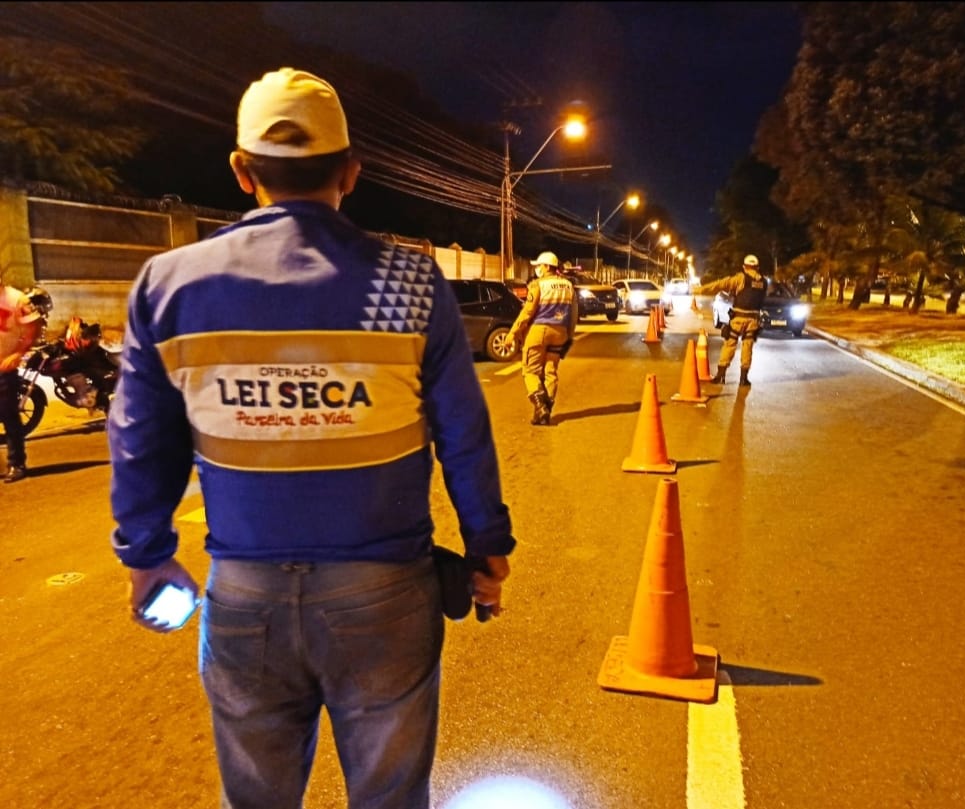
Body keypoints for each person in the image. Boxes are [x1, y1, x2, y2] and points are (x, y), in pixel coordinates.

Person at [107, 67, 515, 809]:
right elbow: (463, 431)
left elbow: (141, 439)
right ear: (351, 172)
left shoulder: (169, 284)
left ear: (241, 171)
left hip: (242, 600)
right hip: (387, 595)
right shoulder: (410, 284)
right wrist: (488, 545)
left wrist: (146, 556)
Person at [509, 250, 577, 425]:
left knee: (530, 371)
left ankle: (540, 406)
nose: (537, 269)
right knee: (550, 372)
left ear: (548, 266)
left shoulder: (538, 285)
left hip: (539, 331)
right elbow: (574, 314)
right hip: (560, 332)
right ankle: (543, 413)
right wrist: (569, 335)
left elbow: (528, 312)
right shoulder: (569, 286)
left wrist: (513, 333)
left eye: (539, 265)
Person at [0, 283, 46, 483]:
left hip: (4, 368)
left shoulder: (17, 299)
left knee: (9, 416)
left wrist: (19, 353)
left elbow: (34, 327)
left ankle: (16, 463)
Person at [701, 254, 767, 387]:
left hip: (738, 319)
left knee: (729, 345)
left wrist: (701, 289)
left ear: (744, 267)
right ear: (757, 267)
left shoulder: (740, 278)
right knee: (747, 348)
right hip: (753, 320)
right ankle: (743, 379)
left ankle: (720, 375)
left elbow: (720, 284)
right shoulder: (764, 282)